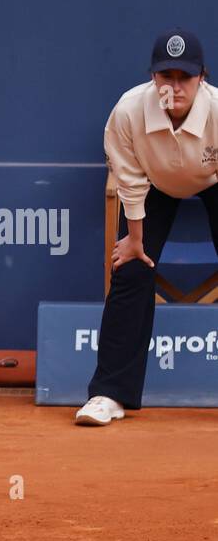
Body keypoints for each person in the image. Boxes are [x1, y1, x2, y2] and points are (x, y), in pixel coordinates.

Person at [81, 27, 218, 425]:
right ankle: (109, 394)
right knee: (132, 270)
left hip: (213, 180)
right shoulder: (128, 111)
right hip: (153, 185)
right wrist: (136, 242)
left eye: (184, 78)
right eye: (165, 77)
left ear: (202, 77)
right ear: (152, 77)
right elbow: (129, 179)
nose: (174, 88)